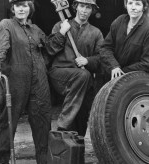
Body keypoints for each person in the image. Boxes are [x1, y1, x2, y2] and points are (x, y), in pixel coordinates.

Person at [0, 0, 70, 163]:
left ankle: (44, 160)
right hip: (17, 78)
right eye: (18, 5)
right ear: (13, 8)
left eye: (25, 5)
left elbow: (49, 48)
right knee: (8, 123)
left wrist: (62, 32)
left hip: (39, 81)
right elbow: (1, 47)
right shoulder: (7, 25)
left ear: (30, 8)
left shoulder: (36, 29)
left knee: (43, 123)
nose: (21, 9)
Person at [48, 0, 104, 137]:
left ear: (92, 10)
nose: (84, 10)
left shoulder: (96, 33)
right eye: (82, 6)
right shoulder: (61, 25)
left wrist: (88, 60)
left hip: (83, 82)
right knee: (83, 75)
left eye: (88, 7)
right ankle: (63, 125)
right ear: (75, 7)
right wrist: (61, 33)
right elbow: (49, 50)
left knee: (81, 119)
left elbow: (102, 58)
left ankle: (77, 155)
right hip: (60, 74)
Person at [100, 0, 149, 80]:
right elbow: (105, 48)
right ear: (126, 5)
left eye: (138, 4)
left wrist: (122, 72)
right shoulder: (119, 21)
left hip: (134, 81)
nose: (133, 7)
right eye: (130, 3)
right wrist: (114, 66)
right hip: (110, 75)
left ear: (144, 7)